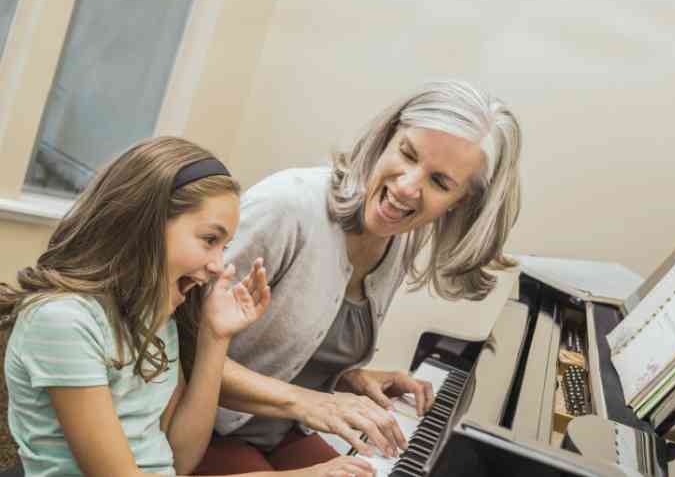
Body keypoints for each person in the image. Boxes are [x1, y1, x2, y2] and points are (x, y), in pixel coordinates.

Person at [176, 80, 522, 474]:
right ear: (386, 138)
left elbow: (292, 349)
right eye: (407, 154)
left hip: (279, 430)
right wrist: (307, 402)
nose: (408, 187)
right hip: (200, 428)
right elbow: (175, 348)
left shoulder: (399, 238)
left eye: (439, 182)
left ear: (460, 204)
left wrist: (350, 378)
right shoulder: (287, 206)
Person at [0, 137, 374, 477]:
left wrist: (215, 337)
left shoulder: (156, 317)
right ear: (144, 224)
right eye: (209, 240)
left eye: (223, 247)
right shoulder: (62, 322)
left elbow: (179, 459)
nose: (217, 266)